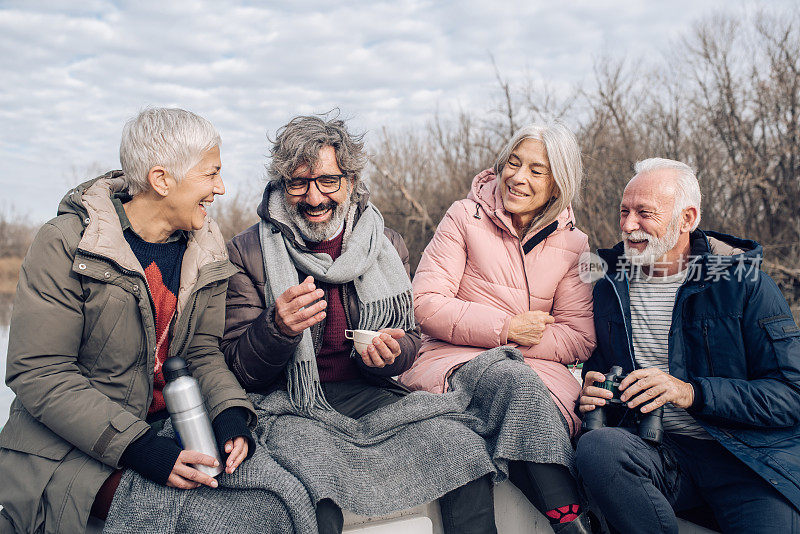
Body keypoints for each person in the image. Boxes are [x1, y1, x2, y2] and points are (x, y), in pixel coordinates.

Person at [222, 113, 497, 534]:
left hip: (368, 392)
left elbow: (409, 342)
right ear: (281, 186)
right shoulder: (246, 252)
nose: (314, 198)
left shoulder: (385, 243)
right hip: (292, 403)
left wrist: (388, 356)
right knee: (312, 486)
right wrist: (277, 327)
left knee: (461, 447)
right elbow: (241, 369)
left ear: (349, 181)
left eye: (327, 181)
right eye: (299, 183)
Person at [0, 108, 255, 534]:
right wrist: (140, 448)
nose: (220, 188)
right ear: (161, 180)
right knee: (207, 520)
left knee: (264, 496)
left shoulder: (207, 250)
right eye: (210, 174)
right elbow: (40, 373)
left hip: (167, 428)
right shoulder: (65, 243)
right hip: (70, 449)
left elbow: (202, 352)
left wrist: (228, 412)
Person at [576, 158, 800, 533]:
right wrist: (592, 391)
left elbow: (791, 395)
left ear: (687, 218)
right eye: (624, 211)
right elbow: (598, 366)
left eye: (644, 213)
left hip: (748, 460)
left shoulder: (746, 284)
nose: (628, 225)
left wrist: (690, 393)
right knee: (597, 448)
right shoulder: (608, 287)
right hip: (661, 451)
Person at [399, 123, 596, 532]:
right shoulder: (463, 217)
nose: (518, 177)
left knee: (496, 400)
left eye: (536, 170)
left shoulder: (575, 245)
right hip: (453, 360)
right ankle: (571, 521)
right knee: (508, 376)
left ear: (558, 185)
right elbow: (425, 303)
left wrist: (519, 344)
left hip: (539, 374)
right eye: (513, 162)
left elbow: (579, 337)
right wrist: (505, 330)